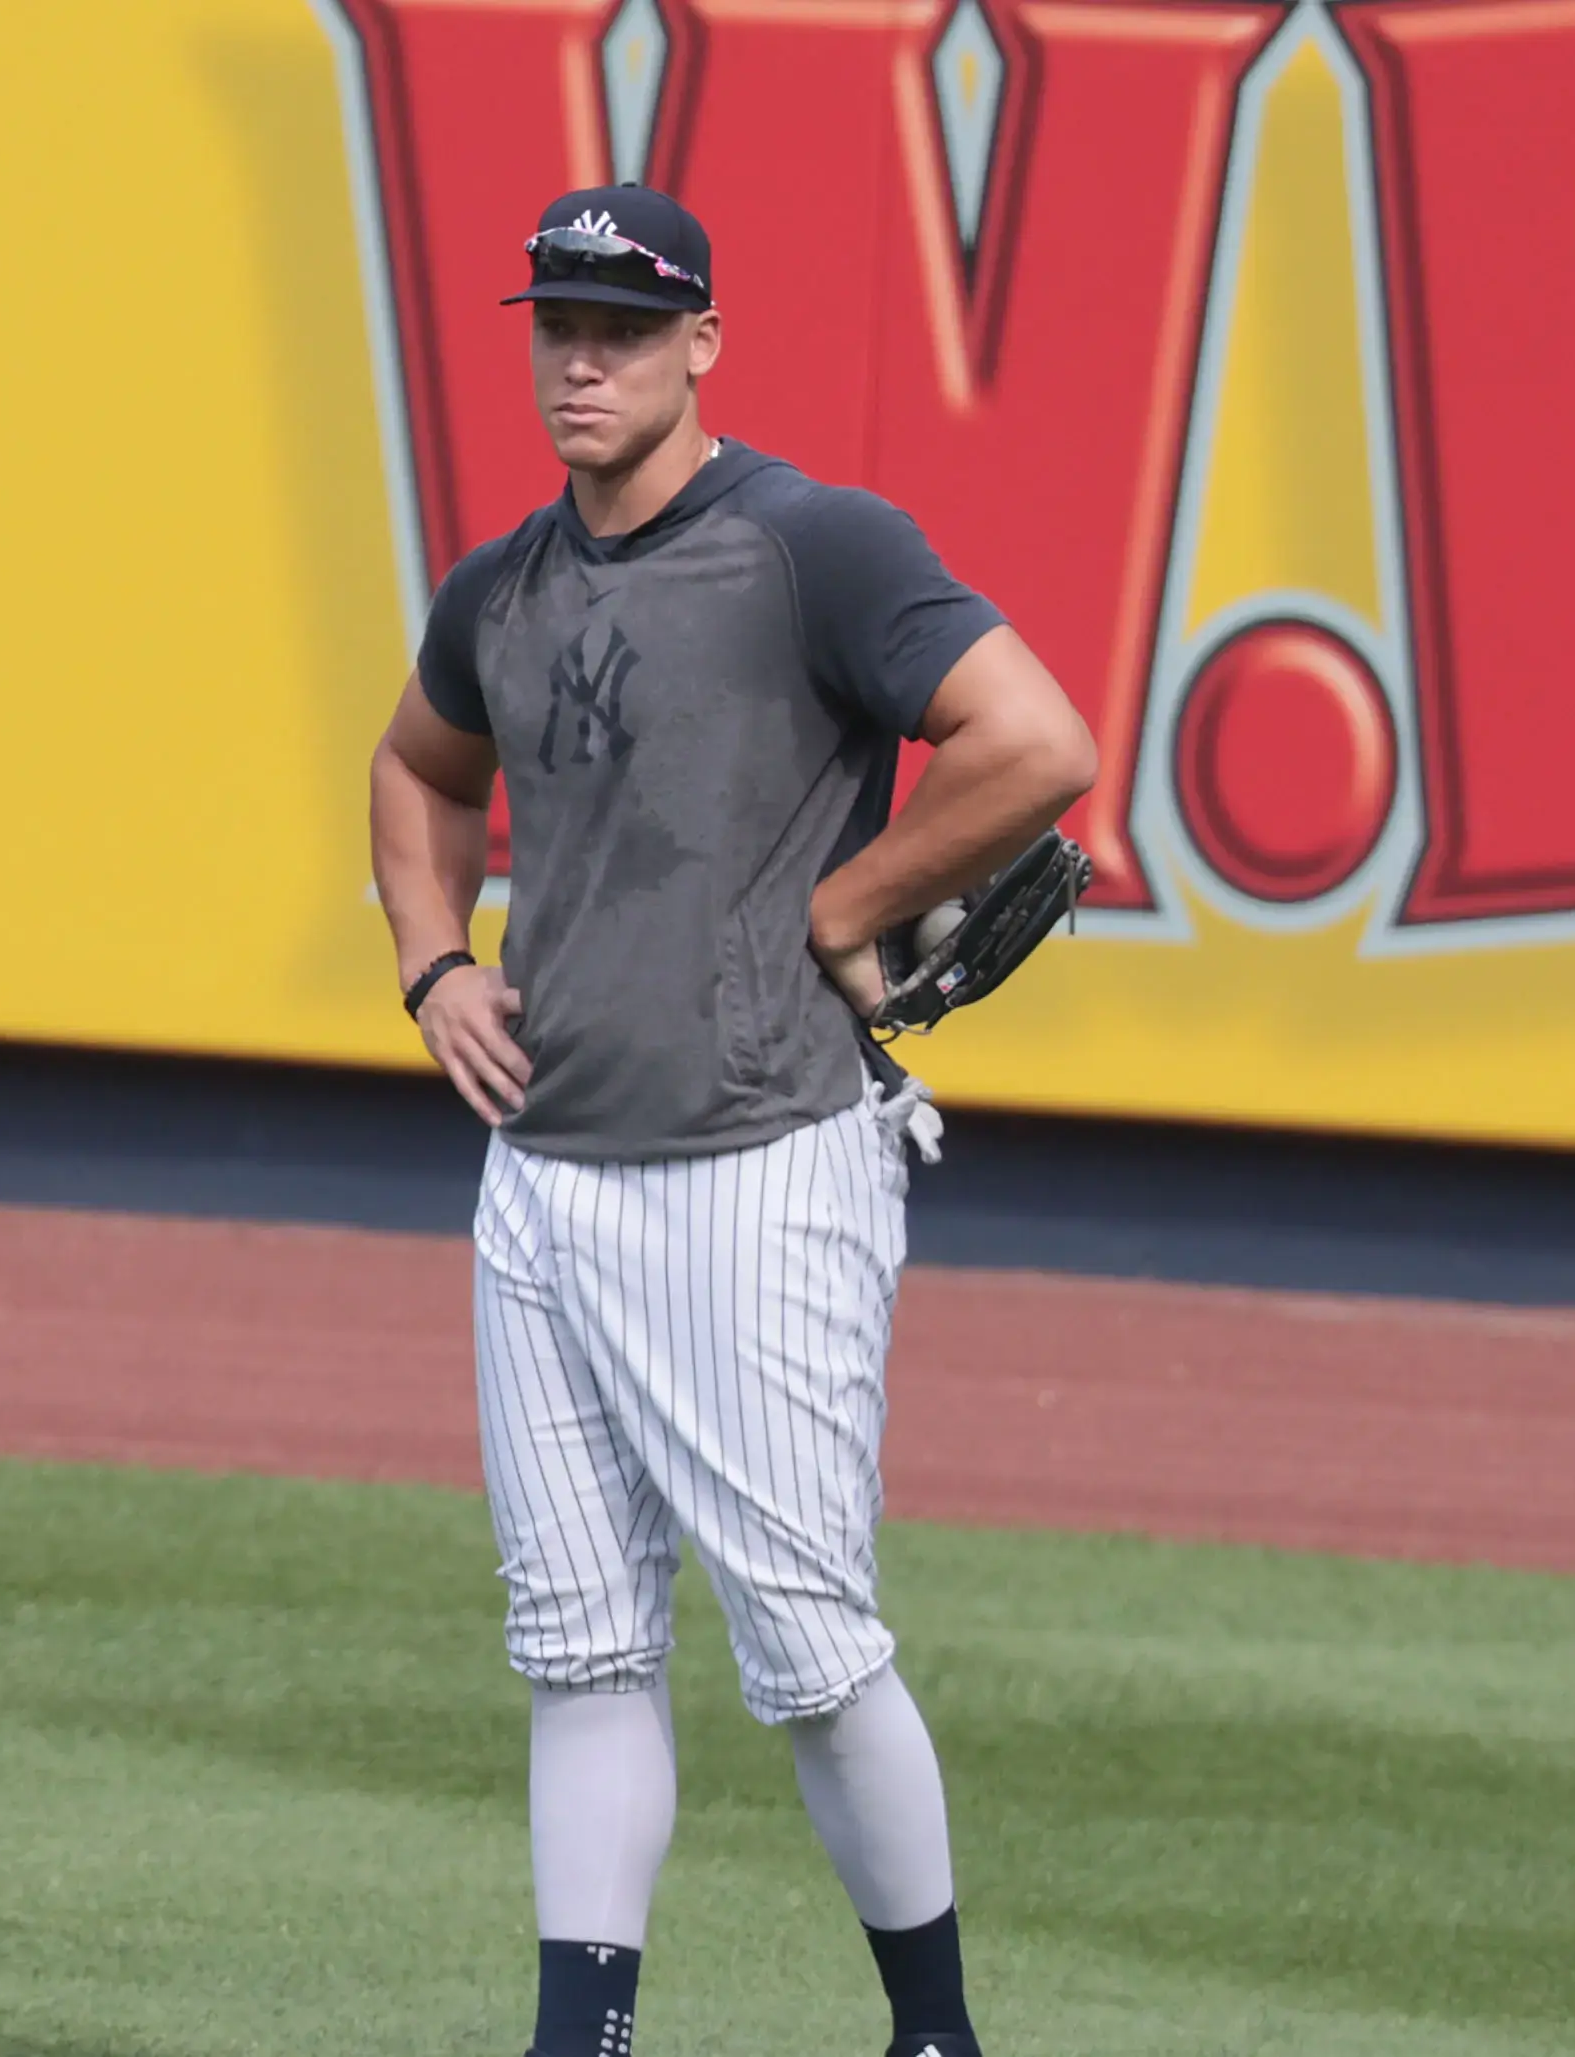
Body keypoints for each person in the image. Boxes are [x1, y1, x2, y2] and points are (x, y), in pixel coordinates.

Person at [365, 183, 1098, 2057]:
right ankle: (576, 2039)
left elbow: (1036, 741)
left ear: (703, 344)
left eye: (624, 324)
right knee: (581, 1650)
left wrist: (848, 907)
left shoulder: (811, 548)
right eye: (558, 323)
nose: (583, 355)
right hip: (543, 1178)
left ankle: (933, 2034)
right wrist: (436, 965)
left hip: (762, 1161)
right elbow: (413, 765)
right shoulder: (505, 588)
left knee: (808, 1640)